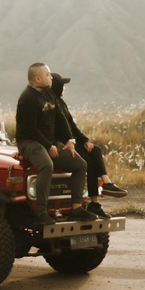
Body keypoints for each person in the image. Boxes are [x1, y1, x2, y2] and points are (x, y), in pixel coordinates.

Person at [16, 63, 98, 226]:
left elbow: (61, 119)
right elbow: (31, 130)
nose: (51, 77)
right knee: (47, 165)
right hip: (29, 142)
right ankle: (41, 213)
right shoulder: (27, 98)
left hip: (48, 142)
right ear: (37, 79)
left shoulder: (49, 93)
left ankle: (76, 209)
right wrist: (49, 146)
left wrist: (70, 140)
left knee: (80, 164)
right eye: (47, 75)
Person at [51, 72, 128, 219]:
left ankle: (105, 185)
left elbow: (72, 125)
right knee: (88, 162)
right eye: (62, 85)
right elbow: (62, 129)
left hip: (72, 140)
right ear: (56, 86)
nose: (64, 88)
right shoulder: (52, 104)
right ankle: (95, 202)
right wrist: (70, 141)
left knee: (95, 150)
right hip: (64, 143)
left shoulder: (61, 103)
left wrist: (85, 140)